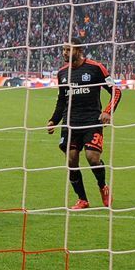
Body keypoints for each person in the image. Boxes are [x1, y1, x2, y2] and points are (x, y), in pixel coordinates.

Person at [47, 38, 121, 210]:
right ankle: (82, 200)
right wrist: (53, 120)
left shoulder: (96, 68)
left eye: (68, 49)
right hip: (70, 123)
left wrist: (107, 111)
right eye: (63, 49)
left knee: (92, 158)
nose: (64, 53)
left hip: (91, 121)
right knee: (72, 160)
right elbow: (61, 100)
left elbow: (116, 91)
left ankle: (103, 186)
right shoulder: (62, 73)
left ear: (79, 50)